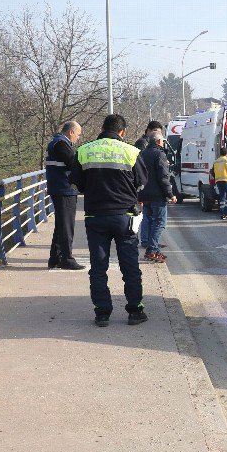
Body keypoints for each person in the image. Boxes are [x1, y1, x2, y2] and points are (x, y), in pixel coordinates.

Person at [67, 114, 147, 327]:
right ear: (123, 132)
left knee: (98, 267)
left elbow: (75, 183)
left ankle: (102, 313)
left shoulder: (84, 151)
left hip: (96, 217)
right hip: (125, 217)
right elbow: (141, 183)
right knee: (129, 265)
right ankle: (135, 311)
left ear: (102, 128)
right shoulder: (132, 152)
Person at [44, 120, 85, 270]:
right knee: (67, 226)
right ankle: (67, 258)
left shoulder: (56, 142)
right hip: (64, 189)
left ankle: (55, 257)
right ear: (71, 132)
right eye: (78, 135)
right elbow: (74, 162)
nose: (78, 138)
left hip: (60, 188)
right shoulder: (61, 144)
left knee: (61, 225)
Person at [138, 130, 176, 263]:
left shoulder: (142, 153)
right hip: (157, 195)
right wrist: (170, 194)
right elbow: (163, 177)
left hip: (144, 194)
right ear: (159, 141)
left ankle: (153, 247)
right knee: (160, 222)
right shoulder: (159, 154)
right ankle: (152, 250)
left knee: (150, 222)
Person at [212, 150, 227, 220]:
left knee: (222, 196)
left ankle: (222, 213)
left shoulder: (216, 161)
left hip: (218, 181)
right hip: (226, 180)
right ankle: (226, 213)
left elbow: (212, 172)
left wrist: (216, 177)